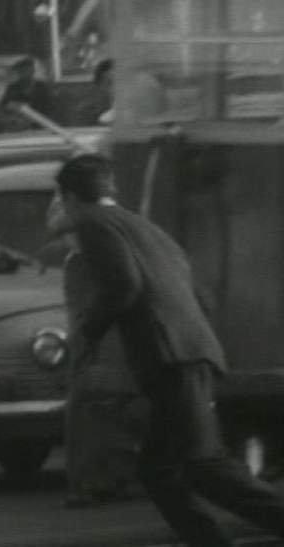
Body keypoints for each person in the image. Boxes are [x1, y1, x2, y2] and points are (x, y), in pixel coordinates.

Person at [55, 153, 284, 547]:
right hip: (189, 349)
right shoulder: (145, 227)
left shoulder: (92, 223)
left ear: (70, 196)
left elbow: (122, 286)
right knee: (160, 469)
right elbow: (201, 293)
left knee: (204, 466)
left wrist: (86, 334)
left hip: (170, 354)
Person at [46, 189, 145, 508]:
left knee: (95, 402)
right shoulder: (98, 211)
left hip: (98, 316)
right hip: (97, 301)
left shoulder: (88, 215)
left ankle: (101, 479)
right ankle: (101, 479)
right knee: (98, 401)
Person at [0, 57, 57, 127]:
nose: (24, 74)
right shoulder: (12, 88)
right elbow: (3, 108)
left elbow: (51, 109)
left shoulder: (43, 88)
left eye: (27, 70)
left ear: (32, 71)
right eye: (21, 71)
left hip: (42, 128)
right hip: (17, 129)